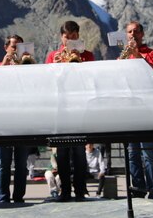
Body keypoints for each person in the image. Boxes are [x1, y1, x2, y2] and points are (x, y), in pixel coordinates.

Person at [45, 20, 94, 202]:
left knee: (80, 153)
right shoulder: (53, 56)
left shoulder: (87, 55)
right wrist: (55, 67)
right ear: (61, 37)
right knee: (63, 154)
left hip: (80, 108)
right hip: (61, 108)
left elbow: (91, 80)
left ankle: (80, 190)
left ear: (78, 36)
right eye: (67, 38)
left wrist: (79, 61)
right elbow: (47, 83)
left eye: (74, 38)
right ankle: (65, 191)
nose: (70, 41)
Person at [123, 21, 153, 199]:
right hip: (130, 110)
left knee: (149, 155)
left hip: (147, 110)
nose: (132, 34)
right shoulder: (124, 57)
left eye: (136, 31)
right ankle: (138, 191)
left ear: (142, 34)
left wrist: (137, 55)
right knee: (132, 155)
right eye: (129, 32)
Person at [0, 34, 30, 203]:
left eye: (20, 47)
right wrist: (4, 65)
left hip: (23, 119)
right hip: (4, 120)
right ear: (6, 48)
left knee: (21, 164)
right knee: (4, 163)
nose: (16, 50)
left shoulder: (28, 66)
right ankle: (3, 198)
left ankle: (19, 197)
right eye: (14, 46)